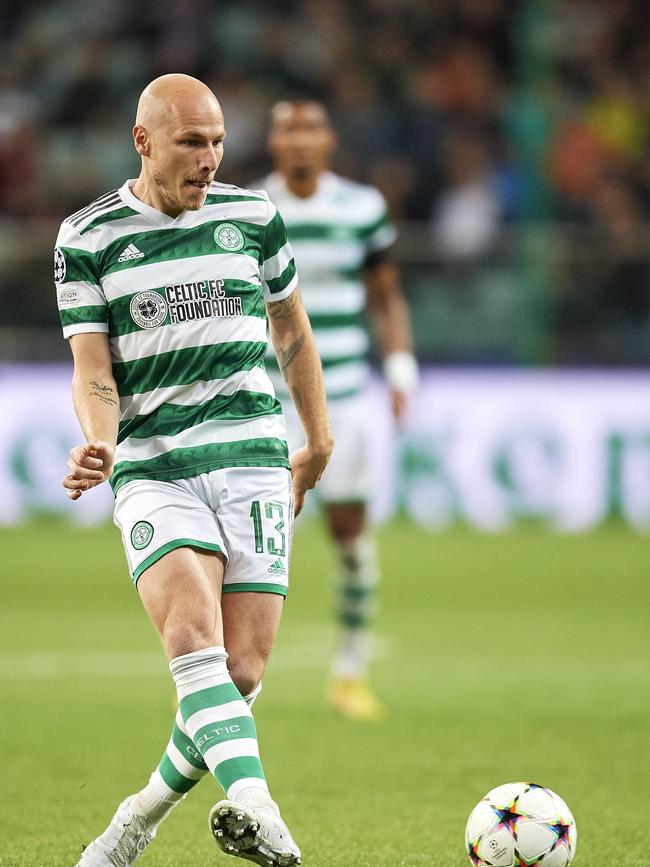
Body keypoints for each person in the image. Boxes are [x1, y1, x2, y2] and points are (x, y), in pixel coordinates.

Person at [55, 74, 333, 867]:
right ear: (143, 142)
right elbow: (92, 366)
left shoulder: (254, 217)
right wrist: (99, 439)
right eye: (190, 143)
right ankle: (258, 805)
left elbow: (294, 331)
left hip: (252, 459)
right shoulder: (89, 235)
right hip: (155, 465)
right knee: (189, 635)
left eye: (217, 142)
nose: (209, 159)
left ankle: (133, 821)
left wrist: (317, 437)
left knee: (238, 673)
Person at [258, 101, 417, 721]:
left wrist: (401, 367)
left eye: (310, 129)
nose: (299, 141)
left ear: (330, 140)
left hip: (344, 400)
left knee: (349, 536)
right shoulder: (248, 210)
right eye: (287, 129)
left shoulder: (362, 208)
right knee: (247, 541)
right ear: (272, 142)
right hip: (265, 404)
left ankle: (349, 673)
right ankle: (213, 673)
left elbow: (387, 298)